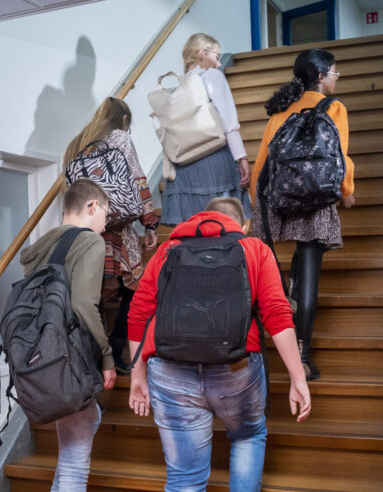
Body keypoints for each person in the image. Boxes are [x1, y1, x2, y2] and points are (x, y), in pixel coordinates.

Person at [128, 197, 311, 492]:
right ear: (241, 225)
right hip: (236, 369)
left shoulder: (167, 251)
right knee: (248, 435)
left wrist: (137, 376)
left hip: (169, 370)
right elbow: (277, 315)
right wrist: (298, 378)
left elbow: (139, 314)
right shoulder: (254, 249)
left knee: (184, 479)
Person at [249, 48, 355, 381]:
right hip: (317, 199)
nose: (336, 78)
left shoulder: (281, 110)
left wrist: (257, 201)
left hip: (279, 197)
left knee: (282, 265)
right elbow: (341, 156)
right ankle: (303, 355)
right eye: (335, 72)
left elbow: (263, 160)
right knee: (310, 268)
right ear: (321, 75)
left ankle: (287, 300)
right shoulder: (335, 108)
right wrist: (347, 192)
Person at [19, 179, 116, 492]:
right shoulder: (89, 241)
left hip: (40, 359)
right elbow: (84, 304)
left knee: (88, 421)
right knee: (76, 463)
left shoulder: (41, 245)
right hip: (70, 358)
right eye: (106, 212)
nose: (107, 222)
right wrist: (107, 357)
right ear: (91, 207)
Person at [63, 97, 159, 373]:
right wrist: (150, 223)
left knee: (90, 295)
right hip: (118, 230)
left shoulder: (77, 143)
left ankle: (94, 360)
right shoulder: (119, 138)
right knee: (135, 291)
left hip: (87, 231)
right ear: (124, 120)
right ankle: (115, 353)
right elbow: (139, 180)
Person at [160, 33, 252, 227]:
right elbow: (228, 123)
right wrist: (241, 158)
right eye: (217, 57)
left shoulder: (179, 87)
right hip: (214, 159)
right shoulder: (212, 76)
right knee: (222, 226)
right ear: (202, 54)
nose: (219, 64)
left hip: (184, 167)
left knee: (194, 231)